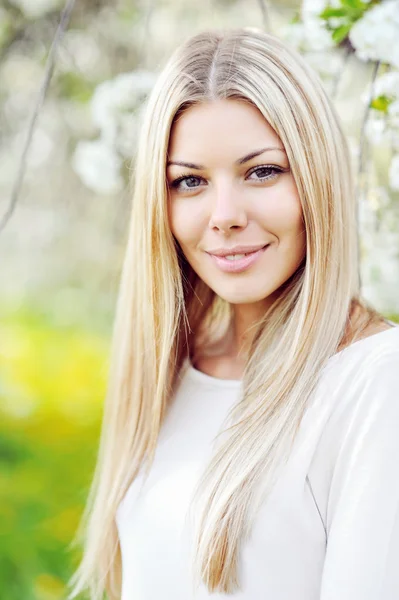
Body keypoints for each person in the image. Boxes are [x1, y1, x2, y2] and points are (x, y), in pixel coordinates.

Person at [68, 28, 399, 600]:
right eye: (189, 181)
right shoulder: (168, 373)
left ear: (317, 179)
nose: (224, 215)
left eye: (262, 171)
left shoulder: (375, 382)